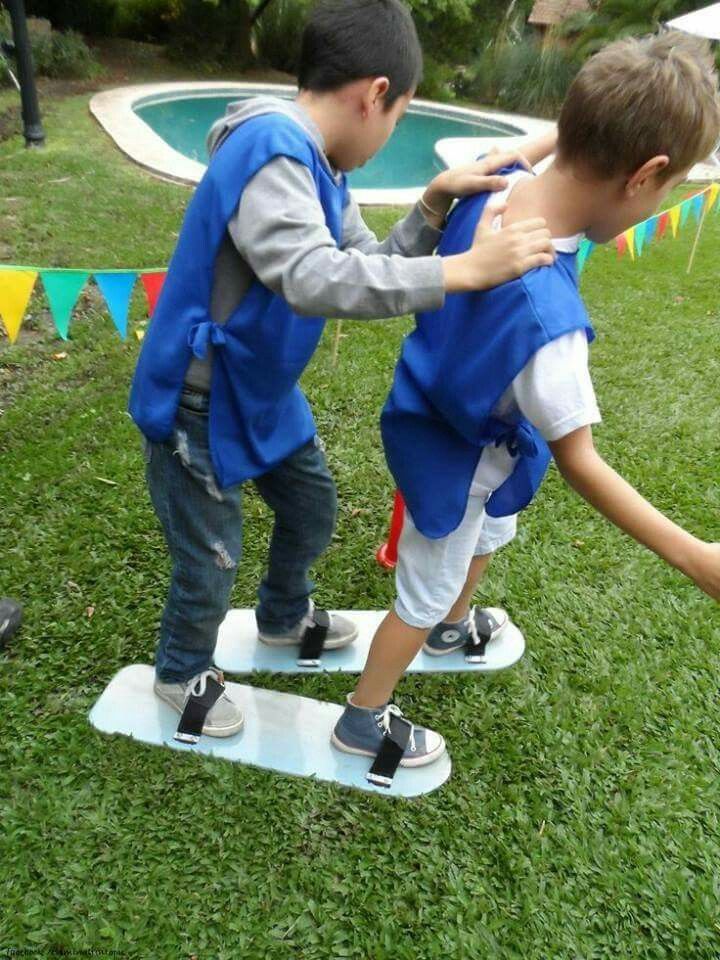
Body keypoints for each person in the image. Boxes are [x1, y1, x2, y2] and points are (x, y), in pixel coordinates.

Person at [129, 0, 556, 738]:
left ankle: (282, 616)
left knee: (311, 506)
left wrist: (431, 205)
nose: (390, 134)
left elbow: (367, 263)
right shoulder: (271, 151)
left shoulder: (320, 165)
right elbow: (311, 276)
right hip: (200, 400)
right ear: (374, 94)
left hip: (262, 392)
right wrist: (462, 270)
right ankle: (181, 671)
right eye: (399, 117)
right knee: (210, 557)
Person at [331, 31, 720, 774]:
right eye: (669, 187)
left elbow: (543, 145)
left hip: (451, 407)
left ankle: (452, 629)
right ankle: (362, 716)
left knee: (489, 536)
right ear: (645, 174)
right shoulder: (550, 327)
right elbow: (582, 463)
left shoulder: (497, 179)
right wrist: (695, 558)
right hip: (455, 453)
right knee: (424, 588)